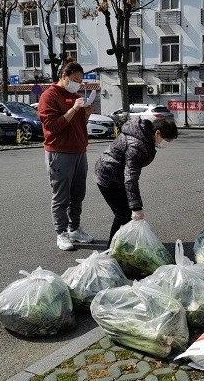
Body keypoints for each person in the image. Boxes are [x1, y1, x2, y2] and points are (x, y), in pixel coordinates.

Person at [37, 59, 96, 251]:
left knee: (78, 194)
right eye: (75, 79)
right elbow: (53, 126)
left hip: (79, 151)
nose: (78, 84)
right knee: (61, 196)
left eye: (80, 81)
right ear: (64, 76)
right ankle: (61, 232)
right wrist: (73, 109)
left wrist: (86, 113)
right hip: (59, 152)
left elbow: (78, 125)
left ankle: (75, 228)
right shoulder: (49, 96)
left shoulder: (76, 95)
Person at [94, 117, 179, 248]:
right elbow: (130, 177)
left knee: (126, 214)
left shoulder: (144, 137)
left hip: (117, 174)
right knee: (122, 214)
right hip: (108, 175)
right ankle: (111, 250)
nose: (165, 143)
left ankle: (122, 245)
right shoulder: (137, 145)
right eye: (166, 140)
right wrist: (136, 207)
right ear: (157, 133)